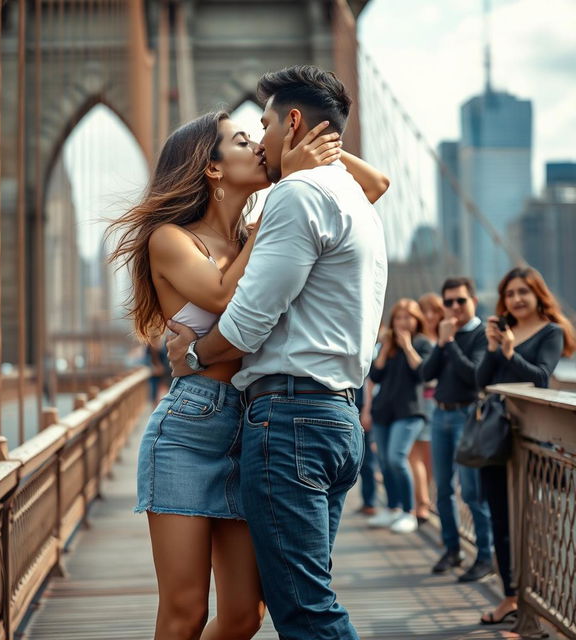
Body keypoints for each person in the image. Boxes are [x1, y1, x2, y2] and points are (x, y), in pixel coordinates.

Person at [109, 79, 390, 640]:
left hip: (258, 426)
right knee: (186, 610)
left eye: (262, 133)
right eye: (243, 141)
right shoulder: (172, 238)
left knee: (244, 615)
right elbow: (218, 297)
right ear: (212, 169)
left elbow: (375, 186)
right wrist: (278, 195)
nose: (258, 147)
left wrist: (309, 143)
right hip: (191, 429)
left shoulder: (265, 224)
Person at [476, 267, 575, 625]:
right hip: (495, 437)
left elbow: (541, 378)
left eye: (524, 292)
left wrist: (509, 352)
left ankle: (542, 592)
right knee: (500, 517)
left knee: (534, 517)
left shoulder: (551, 332)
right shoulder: (504, 331)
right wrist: (492, 348)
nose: (517, 299)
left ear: (537, 295)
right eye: (511, 293)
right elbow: (481, 381)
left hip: (531, 440)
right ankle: (510, 596)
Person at [421, 277, 494, 581]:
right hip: (440, 415)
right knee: (443, 491)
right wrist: (441, 343)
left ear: (473, 302)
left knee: (472, 492)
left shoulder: (480, 334)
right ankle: (452, 549)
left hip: (467, 416)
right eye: (448, 301)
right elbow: (425, 373)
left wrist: (449, 343)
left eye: (460, 301)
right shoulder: (445, 334)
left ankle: (485, 556)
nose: (453, 307)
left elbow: (474, 376)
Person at [366, 299, 433, 533]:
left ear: (417, 320)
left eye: (408, 317)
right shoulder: (389, 346)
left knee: (397, 458)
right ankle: (392, 508)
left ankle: (409, 511)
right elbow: (375, 374)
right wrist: (385, 349)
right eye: (399, 317)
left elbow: (423, 372)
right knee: (384, 461)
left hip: (410, 412)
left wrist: (407, 346)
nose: (403, 322)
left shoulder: (422, 343)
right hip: (384, 411)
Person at [411, 292, 445, 524]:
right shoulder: (417, 340)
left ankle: (427, 500)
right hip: (416, 401)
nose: (430, 315)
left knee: (431, 457)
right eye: (425, 311)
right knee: (414, 454)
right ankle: (421, 503)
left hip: (439, 402)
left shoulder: (446, 338)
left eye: (435, 310)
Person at [355, 384, 377, 516]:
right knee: (363, 462)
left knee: (367, 460)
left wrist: (366, 411)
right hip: (354, 405)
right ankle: (367, 502)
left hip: (363, 409)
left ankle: (370, 502)